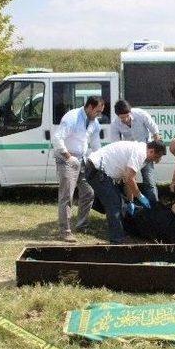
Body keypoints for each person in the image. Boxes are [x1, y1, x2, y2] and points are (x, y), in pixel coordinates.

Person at [85, 140, 167, 244]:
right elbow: (129, 178)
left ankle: (120, 234)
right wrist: (140, 196)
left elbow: (129, 179)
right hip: (96, 170)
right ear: (151, 151)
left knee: (119, 202)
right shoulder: (140, 153)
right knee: (114, 203)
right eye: (156, 157)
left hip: (100, 171)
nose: (156, 161)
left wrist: (131, 201)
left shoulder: (141, 152)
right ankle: (117, 241)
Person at [51, 96, 105, 241]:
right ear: (90, 107)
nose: (99, 114)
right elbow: (57, 138)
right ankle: (65, 231)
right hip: (66, 159)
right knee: (67, 195)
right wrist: (69, 157)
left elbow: (96, 145)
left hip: (82, 159)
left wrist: (101, 161)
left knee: (89, 192)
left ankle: (82, 225)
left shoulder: (94, 123)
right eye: (98, 111)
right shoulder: (72, 117)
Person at [110, 100, 161, 203]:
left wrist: (158, 154)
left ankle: (154, 207)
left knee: (149, 180)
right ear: (117, 115)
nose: (125, 119)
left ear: (130, 112)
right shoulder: (115, 124)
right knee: (129, 180)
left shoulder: (141, 114)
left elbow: (156, 133)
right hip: (130, 154)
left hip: (147, 152)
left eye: (127, 116)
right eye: (122, 118)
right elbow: (116, 145)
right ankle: (131, 204)